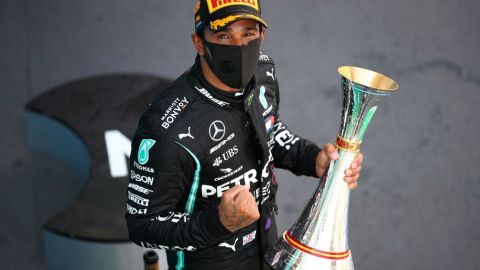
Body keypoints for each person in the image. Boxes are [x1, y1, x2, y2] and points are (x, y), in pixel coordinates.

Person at [126, 1, 363, 269]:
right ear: (199, 43)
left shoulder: (263, 72)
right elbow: (142, 226)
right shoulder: (167, 128)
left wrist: (312, 158)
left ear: (262, 36)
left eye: (248, 33)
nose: (239, 46)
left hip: (269, 250)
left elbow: (270, 130)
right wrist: (219, 223)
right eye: (224, 35)